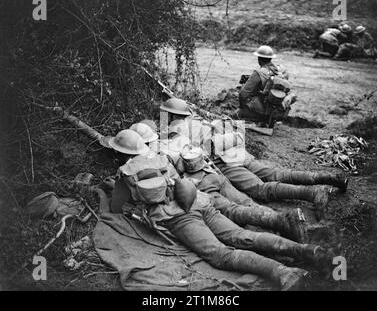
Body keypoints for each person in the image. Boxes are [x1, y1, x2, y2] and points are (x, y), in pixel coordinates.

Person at [103, 129, 333, 291]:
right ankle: (307, 250)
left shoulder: (125, 172)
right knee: (242, 235)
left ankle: (283, 272)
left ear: (120, 152)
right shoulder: (161, 158)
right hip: (201, 202)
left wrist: (113, 187)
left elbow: (116, 208)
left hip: (177, 218)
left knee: (221, 255)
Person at [158, 101, 349, 219]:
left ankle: (313, 194)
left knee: (260, 189)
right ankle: (326, 177)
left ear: (173, 115)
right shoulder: (199, 118)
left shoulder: (178, 130)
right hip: (238, 152)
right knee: (277, 174)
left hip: (224, 162)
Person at [131, 122, 309, 243]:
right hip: (214, 174)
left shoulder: (156, 158)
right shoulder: (180, 139)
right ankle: (288, 222)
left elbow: (174, 185)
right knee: (248, 203)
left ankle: (280, 233)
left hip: (201, 186)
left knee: (234, 212)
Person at [232, 45, 295, 127]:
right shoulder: (280, 71)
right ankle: (268, 120)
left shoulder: (259, 73)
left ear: (259, 59)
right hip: (276, 112)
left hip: (262, 111)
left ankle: (258, 119)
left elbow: (243, 94)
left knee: (235, 115)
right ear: (271, 58)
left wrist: (243, 107)